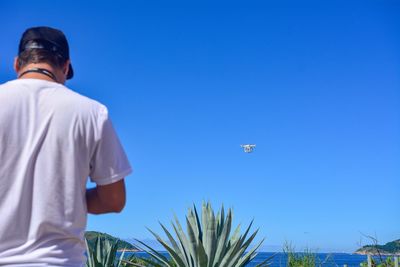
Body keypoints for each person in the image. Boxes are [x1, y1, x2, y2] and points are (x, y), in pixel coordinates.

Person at [0, 26, 132, 266]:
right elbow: (114, 200)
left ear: (17, 64)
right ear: (66, 67)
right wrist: (63, 197)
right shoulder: (92, 113)